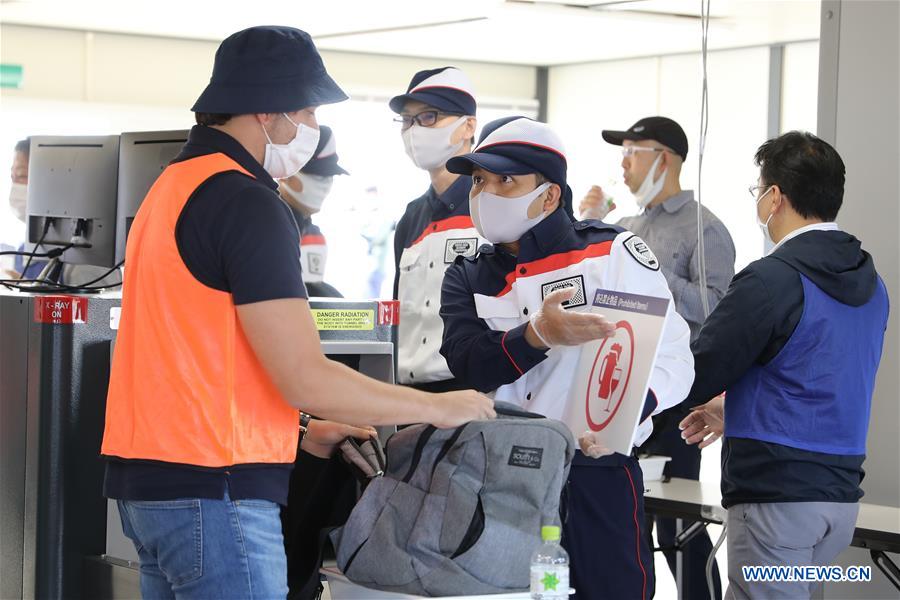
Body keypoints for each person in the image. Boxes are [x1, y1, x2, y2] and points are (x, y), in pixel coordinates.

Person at [100, 26, 494, 599]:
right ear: (268, 111)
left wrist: (298, 431)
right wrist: (439, 409)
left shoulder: (171, 186)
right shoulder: (246, 200)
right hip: (218, 492)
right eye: (306, 110)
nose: (310, 126)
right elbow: (304, 374)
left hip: (151, 487)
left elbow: (203, 354)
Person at [439, 116, 695, 600]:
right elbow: (467, 362)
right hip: (500, 479)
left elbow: (675, 356)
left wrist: (625, 413)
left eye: (504, 180)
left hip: (594, 470)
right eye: (478, 181)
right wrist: (535, 334)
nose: (485, 193)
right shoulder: (468, 276)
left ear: (550, 195)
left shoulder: (610, 252)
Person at [678, 131, 889, 600]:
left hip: (776, 499)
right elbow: (815, 378)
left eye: (759, 190)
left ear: (775, 196)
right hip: (837, 499)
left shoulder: (772, 278)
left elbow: (699, 369)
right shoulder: (874, 287)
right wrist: (732, 408)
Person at [583, 116, 733, 599]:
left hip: (677, 394)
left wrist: (651, 271)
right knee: (625, 513)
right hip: (620, 390)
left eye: (632, 152)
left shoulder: (704, 228)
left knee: (675, 525)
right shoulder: (623, 226)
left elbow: (716, 309)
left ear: (663, 159)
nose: (622, 165)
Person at [390, 66, 485, 392]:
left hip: (470, 394)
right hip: (408, 392)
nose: (414, 130)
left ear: (467, 126)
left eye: (428, 117)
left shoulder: (491, 207)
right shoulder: (412, 216)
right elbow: (398, 313)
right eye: (407, 120)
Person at [278, 124, 347, 297]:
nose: (325, 184)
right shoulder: (271, 224)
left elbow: (310, 289)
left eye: (330, 176)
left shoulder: (309, 229)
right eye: (317, 175)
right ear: (286, 174)